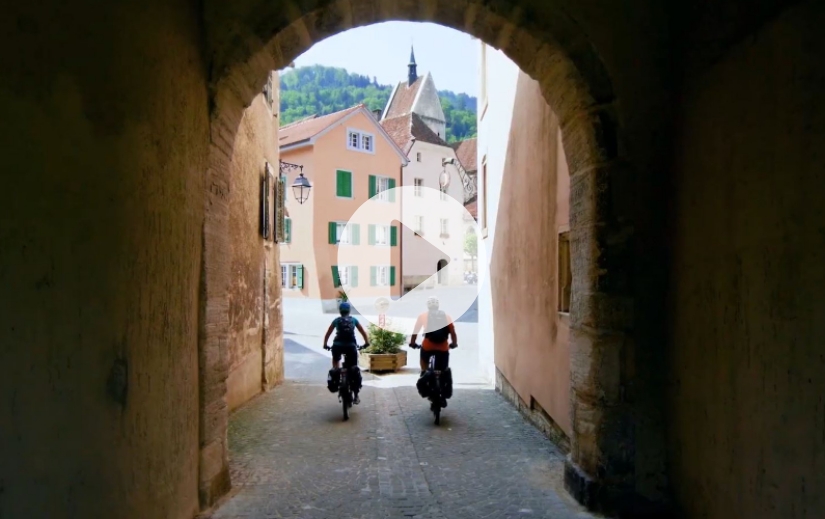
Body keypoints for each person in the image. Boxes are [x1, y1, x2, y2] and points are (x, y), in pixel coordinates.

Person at [323, 302, 369, 404]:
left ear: (340, 311)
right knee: (354, 368)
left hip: (337, 346)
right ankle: (356, 395)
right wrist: (366, 343)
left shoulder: (336, 321)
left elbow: (328, 333)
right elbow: (363, 332)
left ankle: (336, 378)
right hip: (351, 347)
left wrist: (325, 344)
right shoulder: (354, 320)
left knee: (335, 364)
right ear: (349, 311)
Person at [409, 296, 457, 373]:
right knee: (444, 371)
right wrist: (454, 344)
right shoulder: (447, 317)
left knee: (424, 364)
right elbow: (453, 333)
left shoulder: (422, 316)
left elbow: (415, 331)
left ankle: (424, 373)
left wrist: (412, 343)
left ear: (428, 306)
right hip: (443, 347)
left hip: (428, 347)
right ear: (438, 306)